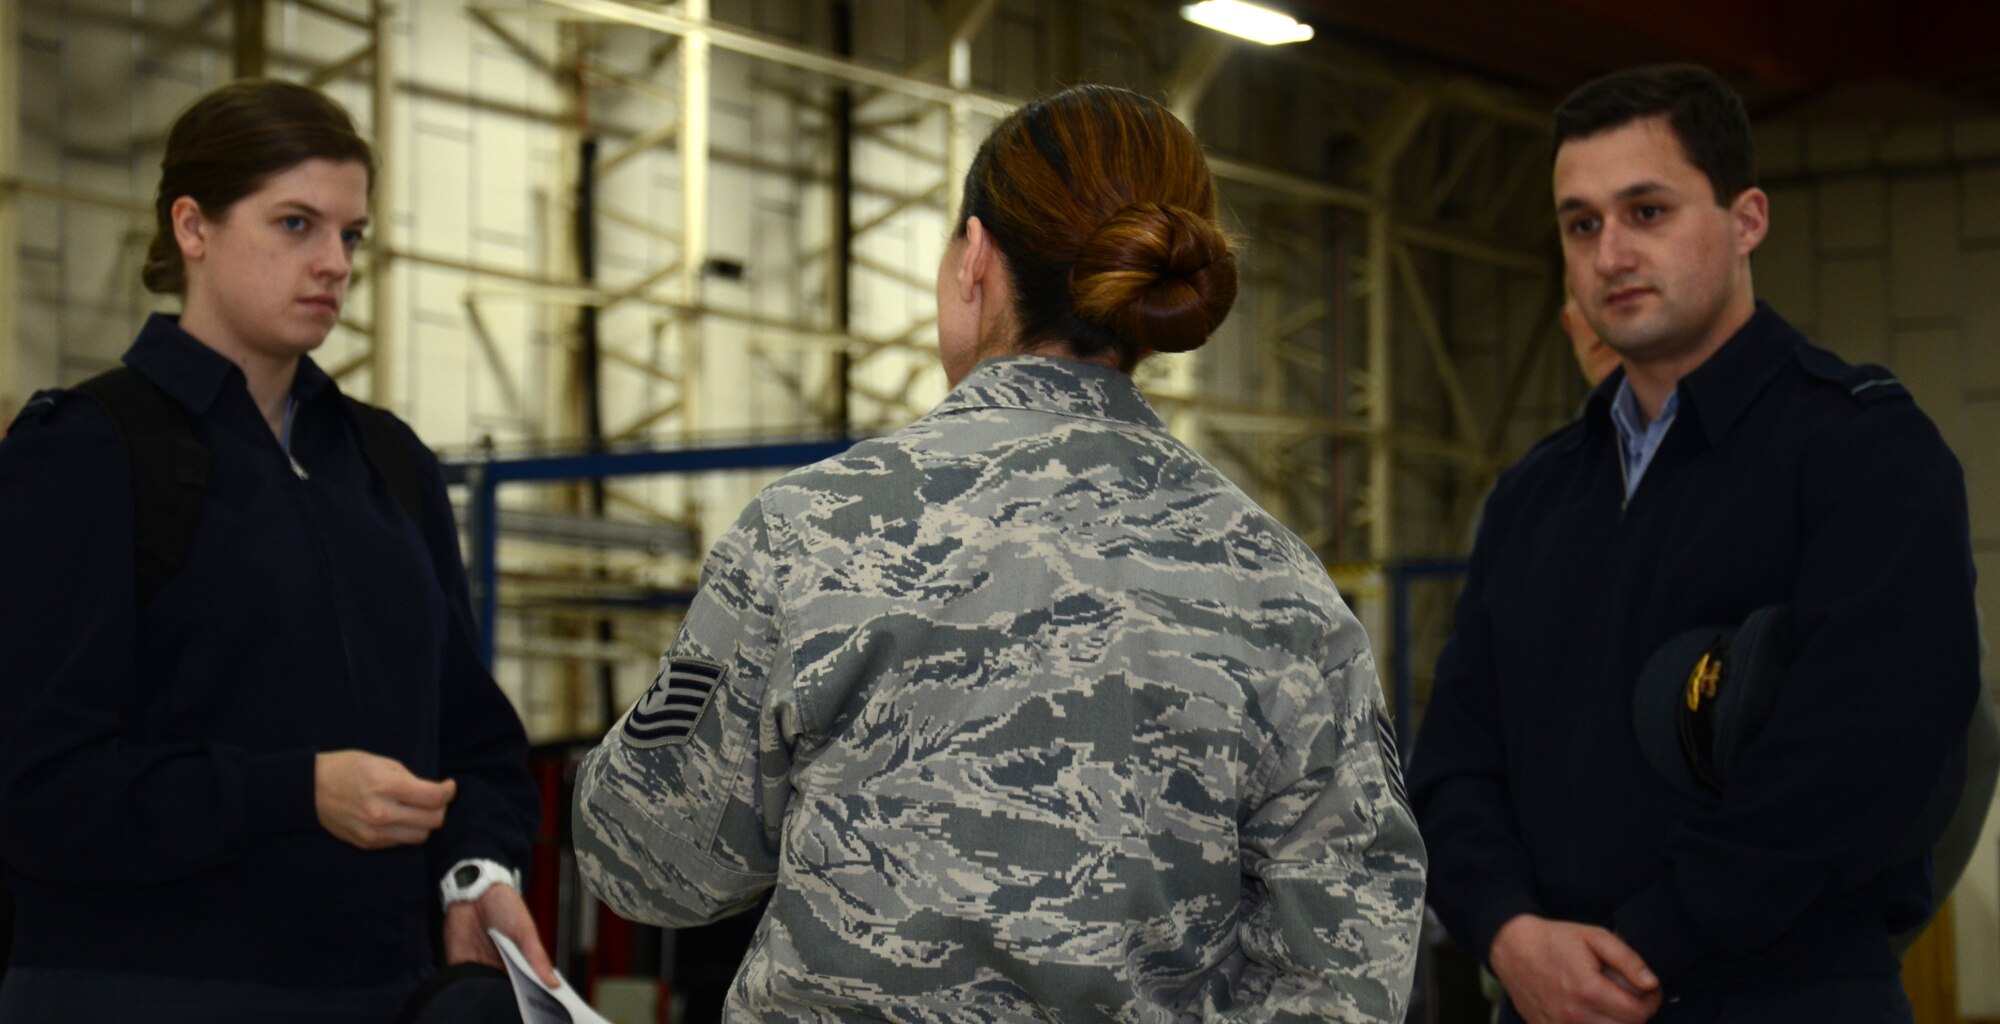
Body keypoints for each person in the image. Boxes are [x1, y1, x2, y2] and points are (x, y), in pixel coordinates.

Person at [572, 83, 1426, 1022]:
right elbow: (1349, 953)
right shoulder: (1284, 590)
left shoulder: (817, 531)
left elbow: (646, 858)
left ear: (975, 259)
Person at [1407, 64, 1981, 1024]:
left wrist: (1655, 941)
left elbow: (1866, 758)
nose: (1612, 252)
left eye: (1647, 211)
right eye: (1582, 224)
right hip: (1543, 1003)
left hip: (1785, 1001)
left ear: (1746, 218)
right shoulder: (1531, 500)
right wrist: (1508, 931)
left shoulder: (1863, 452)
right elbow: (1454, 765)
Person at [0, 79, 553, 1022]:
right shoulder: (88, 451)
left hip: (382, 992)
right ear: (192, 227)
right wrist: (293, 793)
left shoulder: (390, 466)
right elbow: (39, 784)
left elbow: (475, 739)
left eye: (351, 235)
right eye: (295, 224)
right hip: (141, 993)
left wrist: (474, 871)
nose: (334, 263)